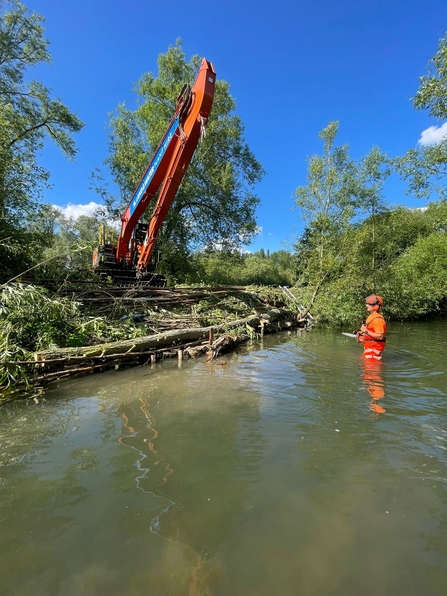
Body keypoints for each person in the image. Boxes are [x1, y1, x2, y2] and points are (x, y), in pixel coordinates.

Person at [356, 295, 387, 361]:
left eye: (370, 304)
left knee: (371, 369)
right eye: (367, 303)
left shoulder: (378, 320)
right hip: (369, 347)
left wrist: (365, 331)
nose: (367, 305)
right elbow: (370, 331)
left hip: (374, 349)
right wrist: (362, 334)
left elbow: (380, 336)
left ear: (376, 306)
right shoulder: (371, 316)